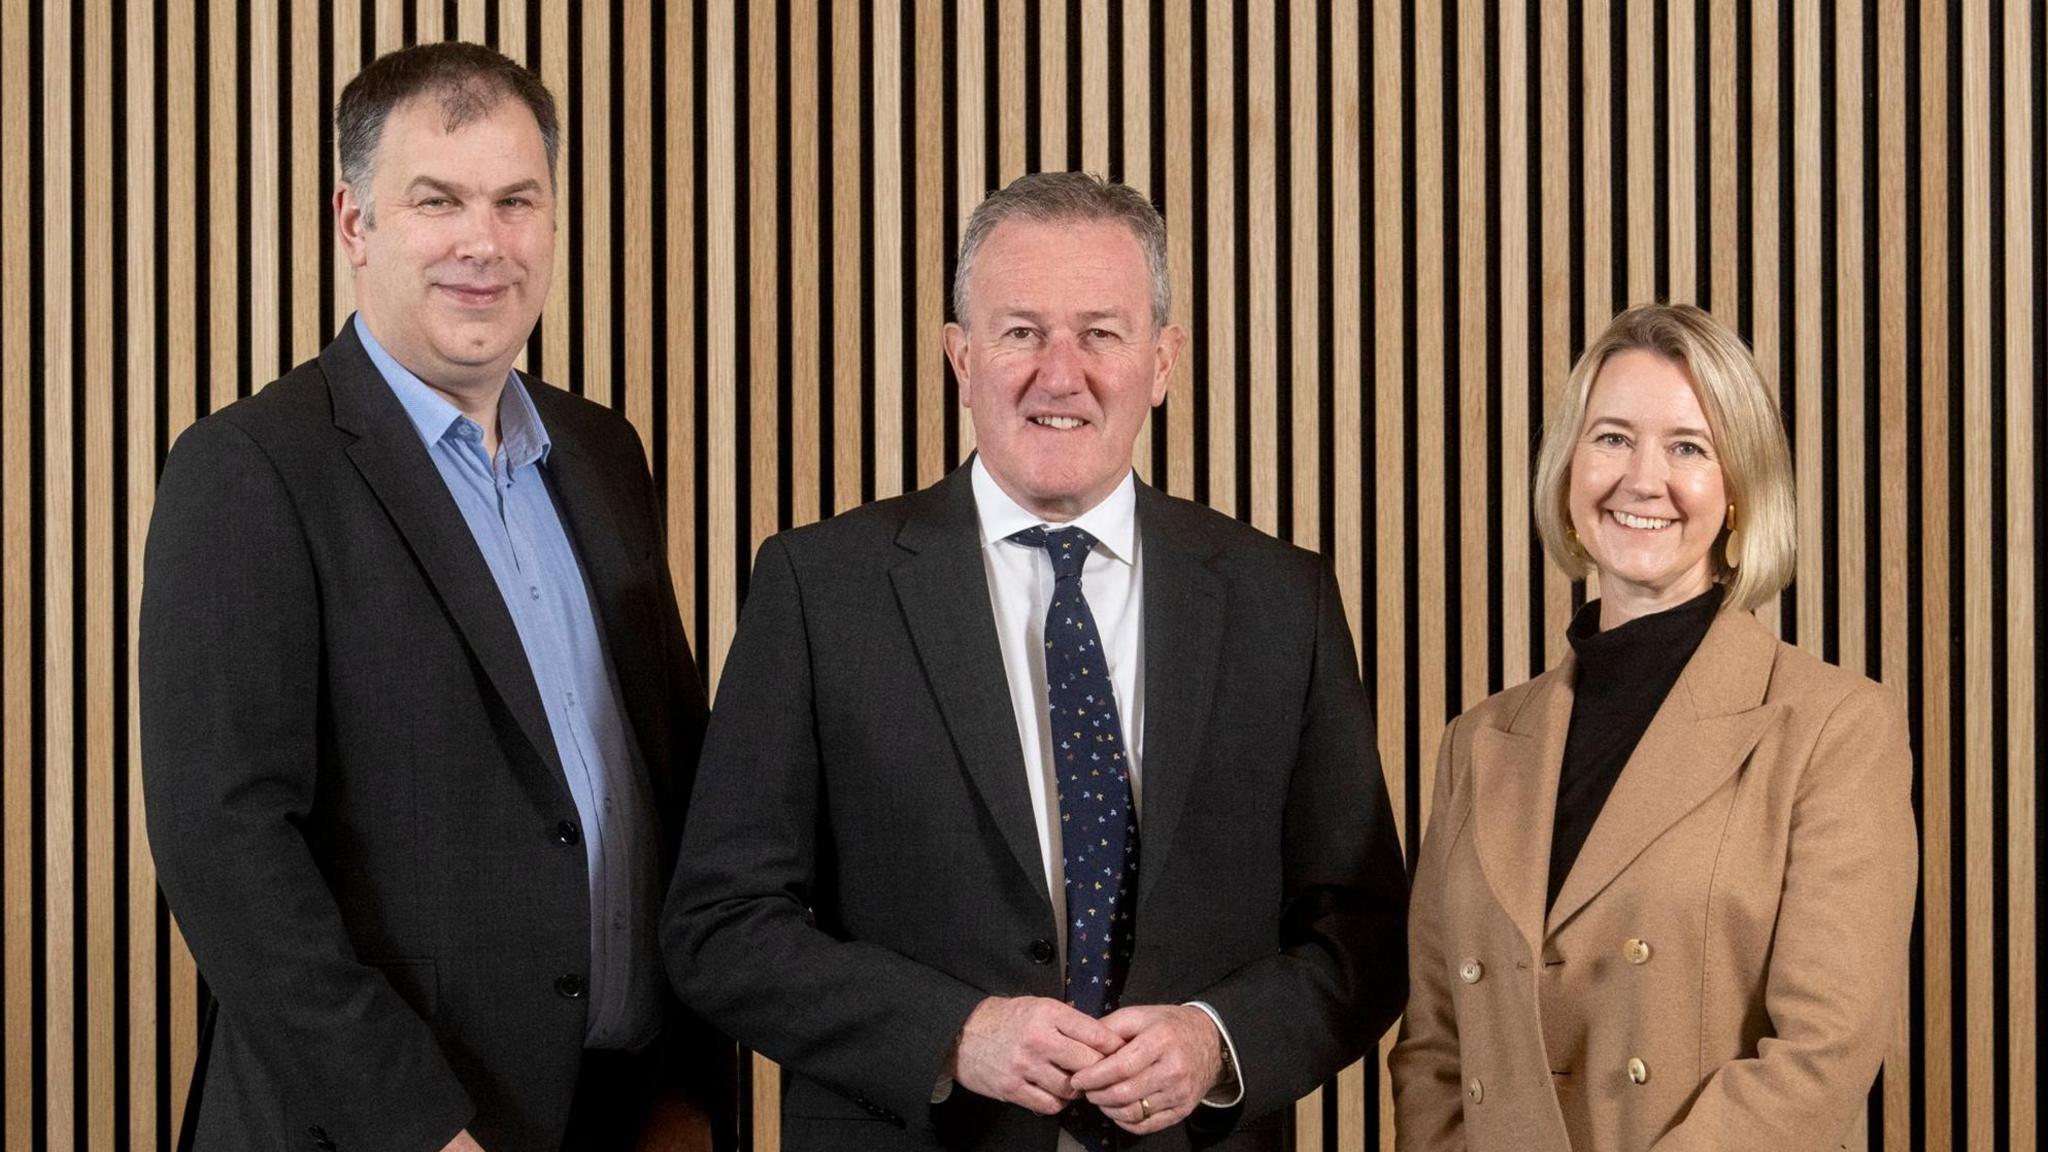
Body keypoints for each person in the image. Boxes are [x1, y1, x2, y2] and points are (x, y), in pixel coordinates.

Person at [662, 171, 1408, 1151]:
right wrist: (952, 1035)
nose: (1060, 373)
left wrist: (1219, 1040)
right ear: (958, 358)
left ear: (1163, 360)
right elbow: (719, 924)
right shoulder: (820, 589)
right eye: (1019, 332)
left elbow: (1361, 933)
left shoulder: (1281, 601)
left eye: (1100, 332)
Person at [141, 41, 726, 1152]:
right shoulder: (251, 470)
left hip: (621, 1110)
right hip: (385, 1127)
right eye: (436, 200)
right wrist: (417, 1131)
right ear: (354, 225)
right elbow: (228, 854)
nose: (484, 243)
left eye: (517, 200)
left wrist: (687, 1087)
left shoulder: (603, 455)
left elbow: (662, 779)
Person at [1389, 303, 1918, 1150]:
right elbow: (1436, 1055)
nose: (1643, 479)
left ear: (1740, 489)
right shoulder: (1477, 741)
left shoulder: (1833, 728)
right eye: (1611, 438)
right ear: (1568, 470)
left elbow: (1821, 1056)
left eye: (1687, 447)